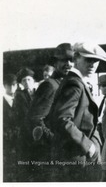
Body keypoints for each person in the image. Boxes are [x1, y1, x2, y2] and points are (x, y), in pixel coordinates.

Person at [49, 42, 106, 181]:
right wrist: (89, 146)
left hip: (82, 155)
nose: (93, 65)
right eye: (88, 60)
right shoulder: (74, 83)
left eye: (96, 61)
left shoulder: (77, 82)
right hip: (75, 156)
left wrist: (94, 144)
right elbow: (62, 119)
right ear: (75, 58)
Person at [27, 43, 74, 181]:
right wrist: (56, 141)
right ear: (55, 62)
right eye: (64, 60)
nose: (69, 64)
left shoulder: (63, 84)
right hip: (51, 154)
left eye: (71, 60)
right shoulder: (50, 85)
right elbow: (35, 119)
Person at [3, 74, 18, 182]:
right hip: (6, 140)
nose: (12, 88)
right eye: (9, 85)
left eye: (13, 85)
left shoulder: (20, 100)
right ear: (4, 86)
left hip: (19, 140)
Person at [97, 78, 106, 143]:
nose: (105, 88)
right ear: (100, 87)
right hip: (97, 126)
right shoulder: (96, 99)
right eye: (103, 86)